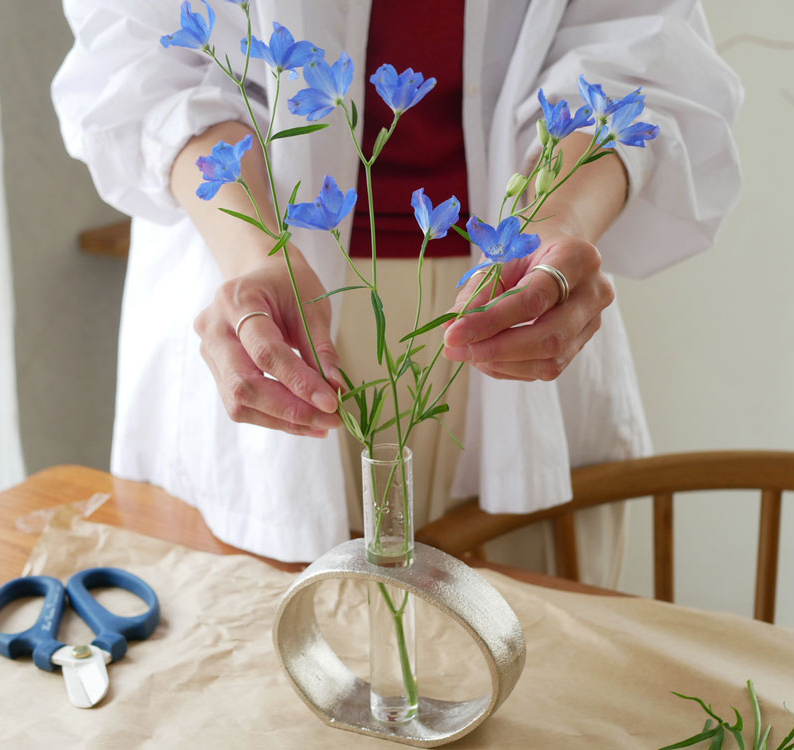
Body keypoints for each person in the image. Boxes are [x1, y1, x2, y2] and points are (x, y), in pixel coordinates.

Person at [52, 0, 742, 586]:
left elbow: (637, 52)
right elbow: (148, 61)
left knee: (532, 672)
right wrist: (258, 251)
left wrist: (555, 224)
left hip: (512, 296)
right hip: (268, 295)